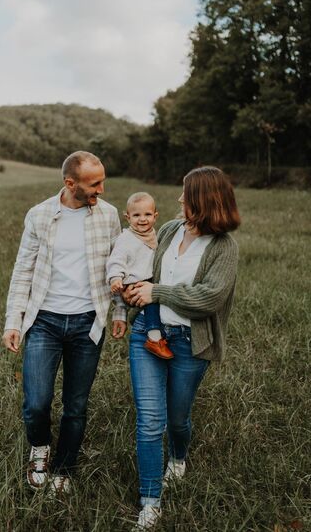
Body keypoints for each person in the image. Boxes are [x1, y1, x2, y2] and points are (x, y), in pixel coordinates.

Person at [2, 150, 127, 494]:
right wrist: (14, 320)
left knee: (76, 405)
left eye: (102, 180)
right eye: (94, 183)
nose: (101, 188)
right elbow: (23, 270)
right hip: (44, 322)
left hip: (89, 323)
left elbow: (117, 266)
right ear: (70, 183)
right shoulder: (40, 215)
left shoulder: (109, 215)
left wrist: (118, 311)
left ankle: (64, 467)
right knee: (37, 402)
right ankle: (39, 449)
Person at [125, 166, 241, 530]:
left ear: (203, 201)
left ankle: (178, 456)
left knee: (177, 418)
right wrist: (132, 291)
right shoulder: (169, 230)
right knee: (149, 421)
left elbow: (211, 297)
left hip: (192, 341)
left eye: (186, 194)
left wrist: (157, 292)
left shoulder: (224, 247)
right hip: (149, 333)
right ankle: (150, 500)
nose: (179, 199)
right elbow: (151, 275)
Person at [106, 192, 173, 360]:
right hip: (134, 282)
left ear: (155, 216)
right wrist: (115, 277)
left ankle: (162, 334)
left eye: (147, 214)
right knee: (150, 302)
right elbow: (116, 260)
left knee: (155, 298)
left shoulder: (152, 235)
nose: (142, 219)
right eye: (136, 215)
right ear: (127, 217)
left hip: (148, 279)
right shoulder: (126, 239)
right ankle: (154, 338)